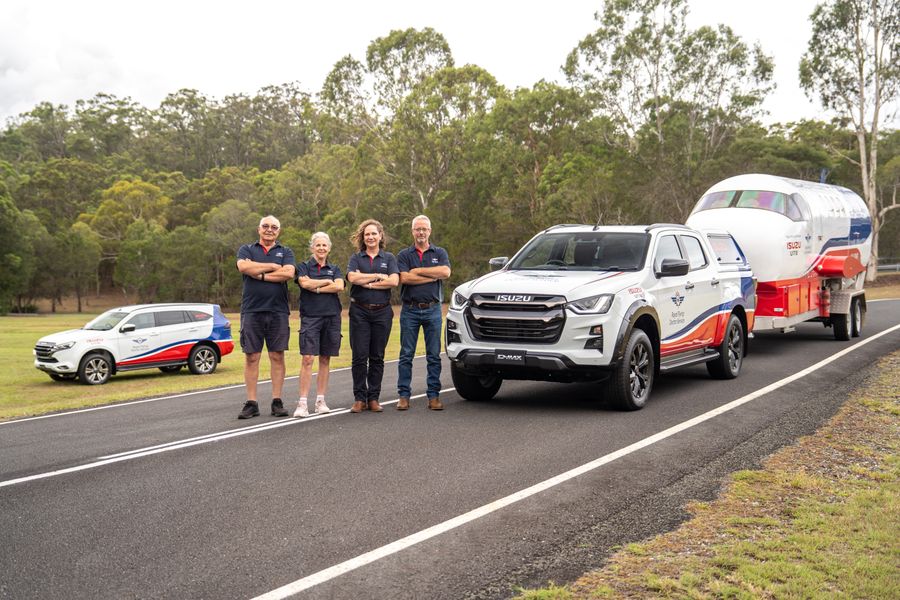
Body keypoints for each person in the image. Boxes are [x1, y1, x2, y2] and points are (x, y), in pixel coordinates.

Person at [235, 215, 296, 419]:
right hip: (252, 310)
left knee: (277, 355)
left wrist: (258, 272)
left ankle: (277, 401)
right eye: (266, 226)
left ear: (278, 231)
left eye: (274, 227)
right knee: (252, 357)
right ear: (259, 229)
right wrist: (272, 267)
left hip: (278, 311)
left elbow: (288, 273)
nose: (269, 229)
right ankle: (252, 403)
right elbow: (243, 267)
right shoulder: (246, 249)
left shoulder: (285, 252)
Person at [396, 215, 451, 410]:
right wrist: (431, 275)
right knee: (406, 354)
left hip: (433, 310)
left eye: (424, 229)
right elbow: (405, 278)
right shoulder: (404, 255)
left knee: (434, 355)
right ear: (412, 231)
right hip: (410, 310)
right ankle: (403, 395)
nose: (421, 232)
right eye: (417, 229)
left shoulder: (440, 252)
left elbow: (445, 272)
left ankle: (433, 396)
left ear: (430, 231)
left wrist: (418, 271)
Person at [346, 219, 399, 413]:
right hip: (359, 311)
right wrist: (378, 276)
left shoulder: (389, 258)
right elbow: (352, 278)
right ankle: (359, 398)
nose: (370, 237)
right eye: (367, 234)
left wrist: (366, 280)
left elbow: (394, 281)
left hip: (382, 311)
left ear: (380, 236)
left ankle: (373, 398)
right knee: (359, 356)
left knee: (377, 356)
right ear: (363, 237)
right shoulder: (356, 258)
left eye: (373, 233)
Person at [294, 232, 344, 418]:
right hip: (310, 317)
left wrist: (316, 287)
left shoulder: (335, 268)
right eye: (318, 245)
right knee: (308, 358)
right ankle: (302, 403)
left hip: (331, 317)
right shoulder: (304, 266)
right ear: (312, 247)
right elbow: (304, 283)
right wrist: (324, 282)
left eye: (324, 245)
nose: (321, 248)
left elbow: (339, 286)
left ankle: (320, 400)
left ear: (329, 248)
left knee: (325, 359)